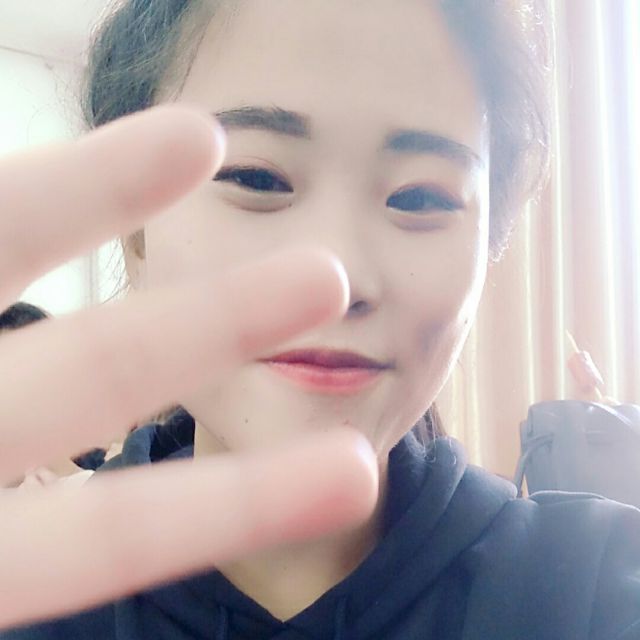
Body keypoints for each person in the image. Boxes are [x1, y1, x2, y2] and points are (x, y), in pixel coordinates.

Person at [0, 0, 639, 639]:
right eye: (257, 178)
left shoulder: (593, 590)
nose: (338, 281)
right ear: (136, 235)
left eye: (419, 195)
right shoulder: (30, 598)